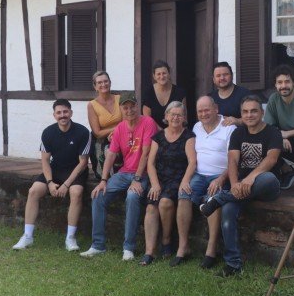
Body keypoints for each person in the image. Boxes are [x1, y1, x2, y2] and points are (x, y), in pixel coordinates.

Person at [200, 95, 283, 277]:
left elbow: (271, 159)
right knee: (228, 212)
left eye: (254, 111)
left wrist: (250, 178)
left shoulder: (273, 132)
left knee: (267, 178)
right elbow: (232, 160)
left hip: (263, 186)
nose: (249, 115)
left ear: (262, 113)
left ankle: (219, 199)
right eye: (245, 111)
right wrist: (236, 182)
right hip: (240, 189)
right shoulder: (238, 133)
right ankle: (233, 265)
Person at [80, 92, 157, 260]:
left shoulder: (148, 122)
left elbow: (145, 154)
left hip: (143, 174)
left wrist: (137, 179)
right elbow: (111, 155)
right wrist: (103, 180)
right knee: (98, 195)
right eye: (125, 107)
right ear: (121, 109)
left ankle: (128, 248)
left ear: (137, 106)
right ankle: (98, 245)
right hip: (124, 173)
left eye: (132, 106)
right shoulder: (120, 127)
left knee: (132, 196)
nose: (129, 110)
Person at [12, 99, 91, 251]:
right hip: (55, 170)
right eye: (59, 113)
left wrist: (66, 185)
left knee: (76, 192)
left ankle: (70, 238)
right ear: (54, 115)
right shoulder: (48, 132)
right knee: (33, 191)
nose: (63, 115)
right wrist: (49, 182)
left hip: (75, 170)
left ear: (71, 113)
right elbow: (45, 160)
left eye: (65, 112)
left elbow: (83, 163)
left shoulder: (82, 132)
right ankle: (27, 236)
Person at [176, 96, 236, 269]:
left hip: (219, 175)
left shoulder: (228, 128)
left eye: (207, 109)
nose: (203, 114)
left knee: (213, 199)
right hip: (199, 175)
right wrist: (186, 178)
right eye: (200, 111)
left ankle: (211, 250)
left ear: (216, 108)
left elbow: (233, 160)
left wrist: (221, 178)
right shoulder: (196, 127)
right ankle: (183, 246)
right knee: (183, 195)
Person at [142, 101, 196, 266]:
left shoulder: (188, 136)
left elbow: (192, 162)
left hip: (177, 179)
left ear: (184, 118)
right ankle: (149, 252)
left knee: (165, 202)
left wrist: (185, 181)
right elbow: (150, 163)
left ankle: (166, 240)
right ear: (166, 116)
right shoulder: (158, 137)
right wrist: (155, 184)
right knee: (151, 207)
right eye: (172, 114)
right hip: (159, 179)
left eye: (179, 115)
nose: (175, 117)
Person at [87, 71, 122, 180]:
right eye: (99, 82)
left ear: (110, 83)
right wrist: (115, 129)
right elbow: (97, 133)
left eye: (105, 81)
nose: (103, 84)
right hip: (102, 139)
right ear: (95, 86)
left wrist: (116, 132)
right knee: (103, 170)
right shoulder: (92, 105)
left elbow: (127, 121)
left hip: (122, 135)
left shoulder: (120, 99)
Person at [142, 60, 187, 129]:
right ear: (154, 76)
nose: (162, 76)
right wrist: (163, 133)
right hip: (154, 132)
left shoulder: (180, 92)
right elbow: (147, 119)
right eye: (158, 74)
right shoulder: (148, 92)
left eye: (164, 73)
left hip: (176, 132)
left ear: (169, 74)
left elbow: (184, 118)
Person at [208, 61, 251, 126]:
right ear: (214, 79)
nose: (222, 78)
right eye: (218, 76)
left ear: (232, 76)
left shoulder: (245, 94)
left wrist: (238, 121)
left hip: (240, 134)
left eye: (225, 74)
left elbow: (254, 117)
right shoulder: (210, 98)